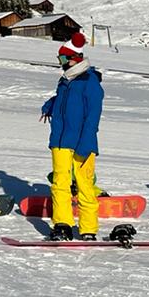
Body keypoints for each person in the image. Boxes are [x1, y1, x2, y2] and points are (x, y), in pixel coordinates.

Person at [39, 31, 104, 240]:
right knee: (60, 184)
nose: (60, 63)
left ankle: (88, 229)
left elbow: (93, 116)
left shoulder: (90, 82)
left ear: (74, 58)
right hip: (60, 140)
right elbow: (64, 100)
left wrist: (87, 141)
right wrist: (51, 104)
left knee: (85, 185)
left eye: (62, 58)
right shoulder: (65, 81)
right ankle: (63, 224)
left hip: (82, 141)